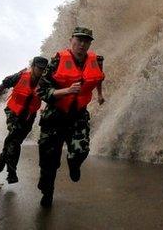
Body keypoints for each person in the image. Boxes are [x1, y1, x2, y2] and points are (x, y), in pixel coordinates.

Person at [36, 26, 105, 207]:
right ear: (71, 40)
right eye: (79, 40)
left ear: (90, 44)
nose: (82, 44)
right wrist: (65, 91)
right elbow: (41, 90)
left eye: (86, 41)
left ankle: (74, 164)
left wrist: (99, 94)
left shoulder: (95, 60)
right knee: (49, 162)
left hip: (78, 115)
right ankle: (47, 191)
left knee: (81, 151)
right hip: (54, 117)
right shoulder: (57, 60)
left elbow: (98, 78)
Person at [0, 56, 49, 184]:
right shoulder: (20, 76)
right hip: (13, 112)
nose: (41, 72)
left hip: (29, 116)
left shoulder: (44, 82)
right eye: (39, 68)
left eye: (43, 69)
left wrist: (46, 108)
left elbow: (50, 95)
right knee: (14, 139)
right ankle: (12, 172)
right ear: (33, 67)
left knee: (16, 140)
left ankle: (4, 155)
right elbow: (2, 85)